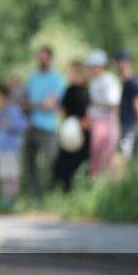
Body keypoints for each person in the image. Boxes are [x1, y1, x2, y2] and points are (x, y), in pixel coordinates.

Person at [22, 46, 66, 200]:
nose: (41, 60)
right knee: (29, 162)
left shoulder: (57, 79)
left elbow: (50, 104)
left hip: (48, 127)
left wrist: (33, 105)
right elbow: (25, 102)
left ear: (50, 59)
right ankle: (35, 192)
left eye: (44, 57)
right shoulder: (32, 78)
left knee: (51, 162)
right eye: (40, 57)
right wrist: (36, 105)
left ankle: (54, 193)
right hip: (31, 125)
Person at [0, 82, 29, 208]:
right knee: (3, 173)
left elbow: (24, 125)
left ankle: (14, 198)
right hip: (0, 146)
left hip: (11, 147)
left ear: (4, 96)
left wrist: (11, 125)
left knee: (13, 173)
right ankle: (5, 198)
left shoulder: (13, 110)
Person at [52, 61, 90, 192]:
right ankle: (68, 191)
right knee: (68, 164)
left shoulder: (83, 90)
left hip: (80, 131)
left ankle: (75, 190)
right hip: (73, 132)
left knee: (75, 163)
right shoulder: (73, 90)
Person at [85, 49, 122, 177]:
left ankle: (108, 181)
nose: (91, 69)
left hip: (107, 121)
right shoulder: (94, 82)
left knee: (107, 155)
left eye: (93, 66)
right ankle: (95, 180)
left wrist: (95, 105)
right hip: (96, 121)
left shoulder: (110, 81)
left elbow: (113, 106)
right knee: (95, 154)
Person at [115, 49, 138, 160]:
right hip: (125, 126)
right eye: (117, 62)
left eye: (120, 62)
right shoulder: (124, 82)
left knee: (124, 159)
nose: (118, 65)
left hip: (130, 127)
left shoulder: (132, 83)